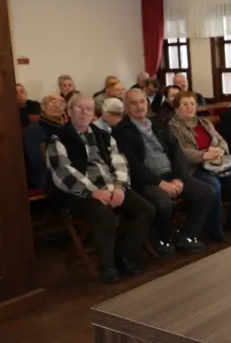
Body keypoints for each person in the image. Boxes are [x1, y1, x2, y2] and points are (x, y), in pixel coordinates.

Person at [45, 95, 155, 283]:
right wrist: (93, 192)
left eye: (88, 109)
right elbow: (64, 172)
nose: (84, 112)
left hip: (112, 187)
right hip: (79, 195)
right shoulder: (58, 138)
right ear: (69, 112)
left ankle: (124, 255)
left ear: (93, 114)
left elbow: (119, 162)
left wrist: (120, 187)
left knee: (146, 210)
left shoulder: (103, 135)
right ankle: (107, 267)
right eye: (79, 108)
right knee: (105, 217)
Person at [113, 89, 213, 256]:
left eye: (142, 102)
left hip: (171, 175)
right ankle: (162, 239)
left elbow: (176, 152)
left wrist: (178, 178)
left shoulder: (158, 124)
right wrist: (161, 184)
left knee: (206, 191)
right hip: (146, 180)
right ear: (126, 108)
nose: (139, 106)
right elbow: (133, 166)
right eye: (134, 103)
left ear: (147, 104)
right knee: (163, 202)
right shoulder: (121, 131)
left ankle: (188, 236)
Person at [170, 90, 231, 241]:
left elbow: (221, 140)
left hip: (215, 162)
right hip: (194, 167)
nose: (190, 107)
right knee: (214, 185)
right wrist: (204, 155)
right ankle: (214, 228)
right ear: (177, 108)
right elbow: (181, 151)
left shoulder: (205, 123)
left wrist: (220, 150)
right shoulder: (173, 127)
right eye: (185, 104)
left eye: (192, 104)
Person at [23, 94, 66, 189]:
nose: (57, 105)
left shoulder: (68, 127)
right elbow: (37, 162)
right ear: (43, 107)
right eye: (52, 101)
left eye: (61, 102)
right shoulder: (33, 130)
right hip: (47, 176)